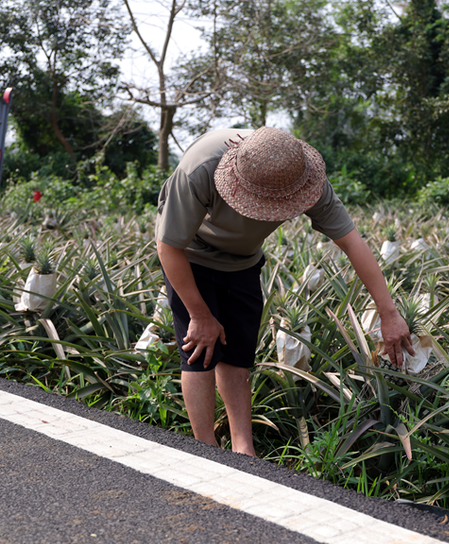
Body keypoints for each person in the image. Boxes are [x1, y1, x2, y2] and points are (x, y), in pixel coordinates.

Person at [155, 126, 414, 457]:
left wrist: (389, 313)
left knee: (237, 356)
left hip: (244, 261)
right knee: (200, 353)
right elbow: (168, 247)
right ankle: (205, 450)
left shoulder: (301, 175)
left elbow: (352, 242)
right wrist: (200, 314)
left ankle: (243, 449)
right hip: (189, 255)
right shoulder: (200, 167)